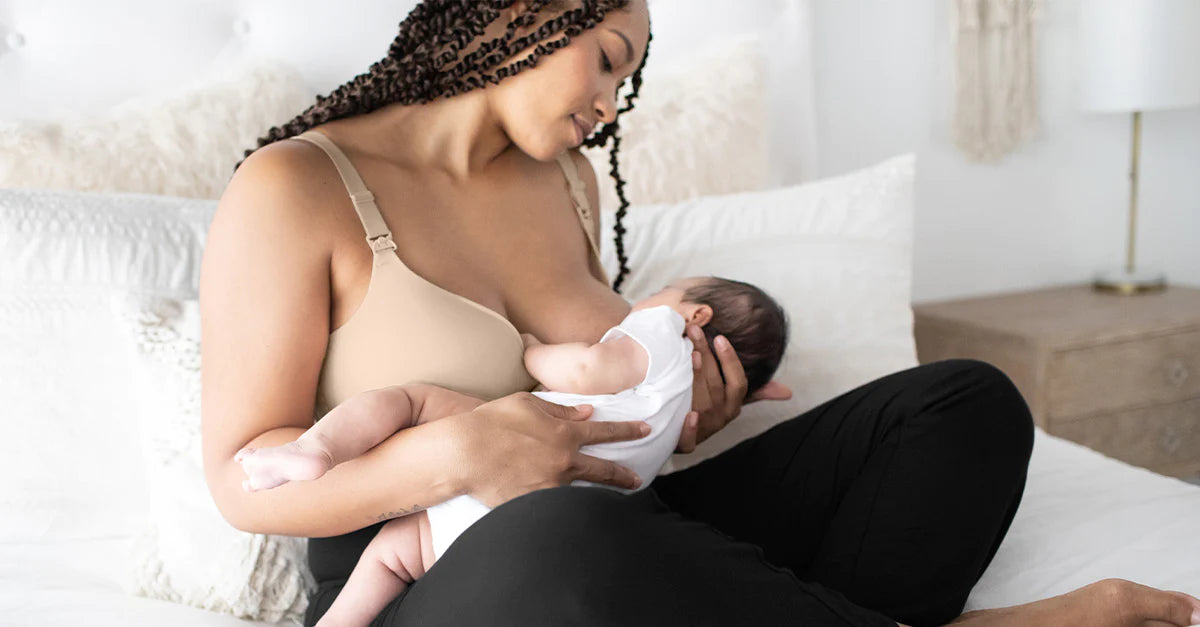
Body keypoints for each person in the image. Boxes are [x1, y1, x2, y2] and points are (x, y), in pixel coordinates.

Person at [199, 1, 1200, 626]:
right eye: (607, 58)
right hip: (424, 570)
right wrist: (452, 458)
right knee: (567, 541)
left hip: (613, 523)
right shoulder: (297, 186)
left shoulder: (564, 181)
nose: (613, 101)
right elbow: (246, 481)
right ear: (520, 13)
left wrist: (679, 428)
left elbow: (598, 419)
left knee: (961, 406)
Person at [233, 275, 787, 627]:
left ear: (698, 316)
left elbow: (586, 369)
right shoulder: (677, 397)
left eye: (666, 287)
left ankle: (316, 450)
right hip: (558, 516)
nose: (644, 300)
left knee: (410, 403)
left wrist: (534, 351)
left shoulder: (665, 328)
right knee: (395, 555)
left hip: (517, 477)